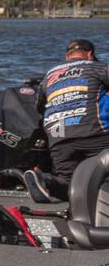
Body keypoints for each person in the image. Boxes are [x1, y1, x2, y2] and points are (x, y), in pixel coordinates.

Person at [28, 39, 109, 201]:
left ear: (67, 56)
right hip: (95, 133)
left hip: (59, 138)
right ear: (90, 54)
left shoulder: (50, 75)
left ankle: (46, 181)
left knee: (69, 184)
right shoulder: (98, 67)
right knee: (104, 175)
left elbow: (39, 106)